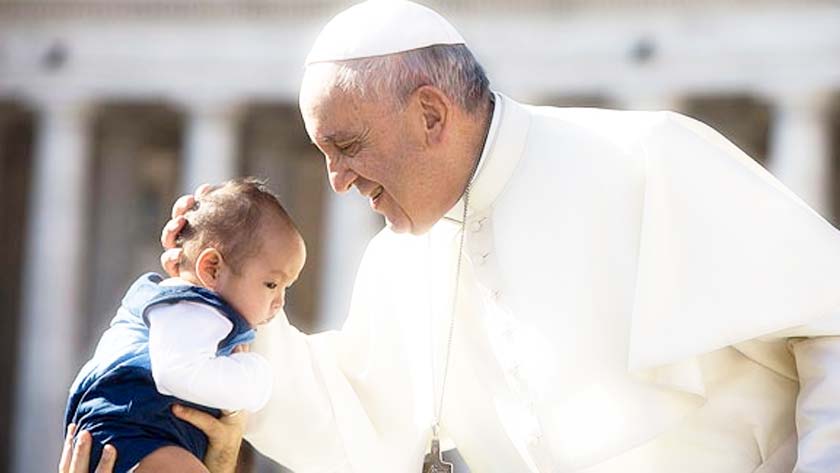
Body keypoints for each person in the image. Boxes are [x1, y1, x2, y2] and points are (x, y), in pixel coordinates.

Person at [62, 1, 840, 472]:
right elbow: (361, 428)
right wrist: (218, 295)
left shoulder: (651, 159)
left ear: (431, 114)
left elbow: (831, 322)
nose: (336, 180)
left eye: (347, 147)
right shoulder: (404, 259)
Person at [62, 178, 305, 473]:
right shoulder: (190, 307)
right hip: (131, 427)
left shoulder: (192, 310)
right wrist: (256, 376)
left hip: (144, 429)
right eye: (271, 284)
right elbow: (176, 373)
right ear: (211, 268)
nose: (279, 303)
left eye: (285, 288)